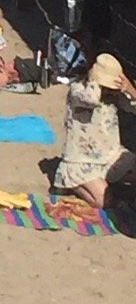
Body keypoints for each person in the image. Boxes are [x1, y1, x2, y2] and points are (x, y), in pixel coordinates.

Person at [53, 53, 136, 207]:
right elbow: (90, 99)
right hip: (83, 160)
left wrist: (130, 89)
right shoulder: (78, 90)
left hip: (110, 156)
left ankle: (110, 184)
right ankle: (74, 186)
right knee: (104, 201)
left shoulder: (114, 98)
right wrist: (95, 81)